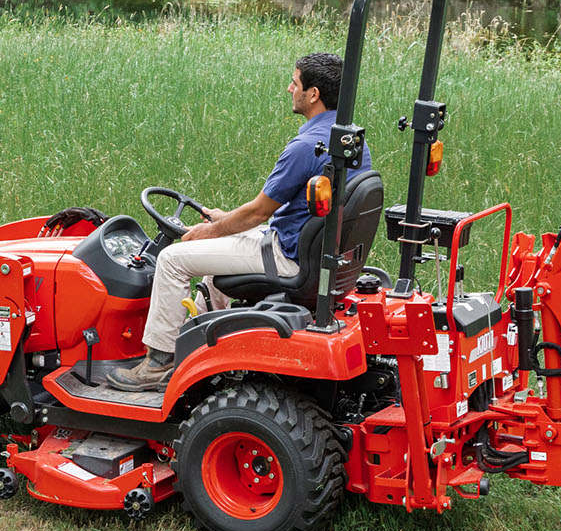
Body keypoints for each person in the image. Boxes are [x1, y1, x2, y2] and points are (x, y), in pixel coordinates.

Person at [108, 51, 371, 393]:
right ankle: (200, 342)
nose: (288, 88)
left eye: (294, 82)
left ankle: (159, 362)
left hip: (288, 256)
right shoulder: (348, 141)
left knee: (172, 260)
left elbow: (259, 212)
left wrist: (209, 230)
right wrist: (226, 220)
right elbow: (288, 210)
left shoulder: (306, 146)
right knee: (217, 249)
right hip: (311, 248)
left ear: (313, 94)